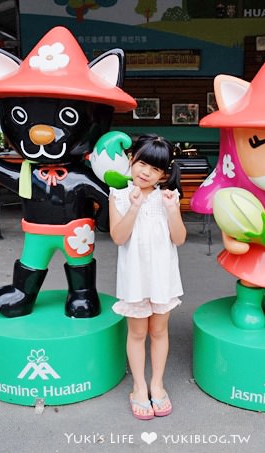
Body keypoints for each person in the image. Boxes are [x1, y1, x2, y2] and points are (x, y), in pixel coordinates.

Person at [109, 134, 186, 420]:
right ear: (131, 161)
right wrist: (134, 206)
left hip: (162, 277)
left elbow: (179, 239)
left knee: (159, 331)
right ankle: (139, 387)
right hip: (134, 278)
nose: (145, 172)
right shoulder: (118, 195)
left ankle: (158, 384)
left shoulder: (169, 197)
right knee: (138, 333)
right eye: (141, 163)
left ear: (163, 174)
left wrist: (170, 209)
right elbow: (118, 237)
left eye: (154, 169)